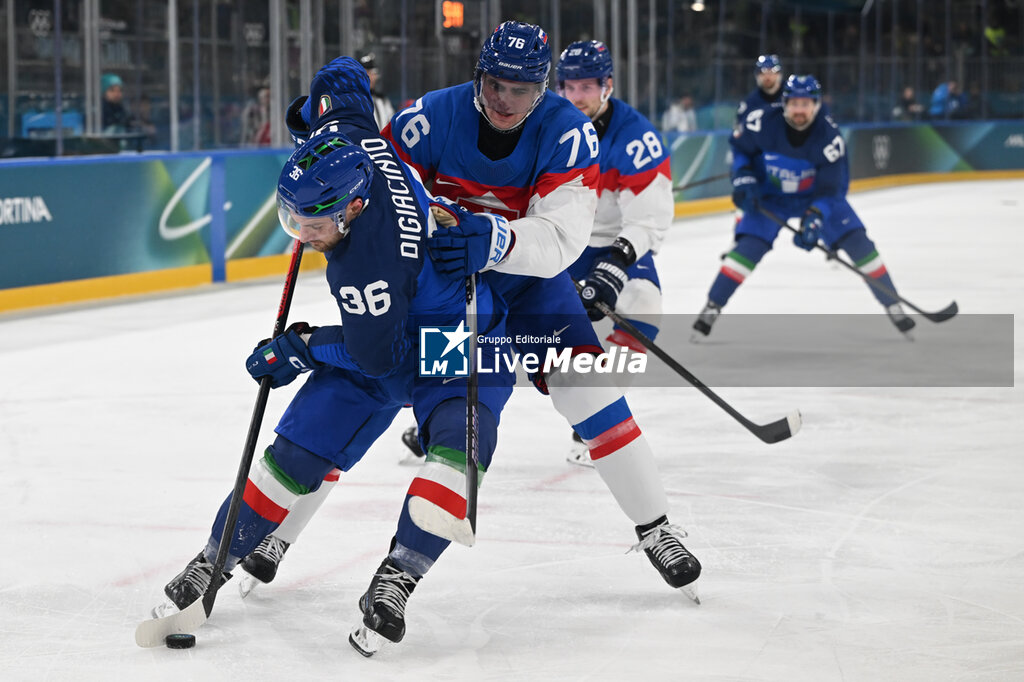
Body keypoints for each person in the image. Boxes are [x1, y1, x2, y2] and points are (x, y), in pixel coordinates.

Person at [240, 23, 703, 645]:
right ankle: (277, 533)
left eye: (521, 89)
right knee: (374, 386)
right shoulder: (428, 118)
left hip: (528, 286)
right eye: (494, 85)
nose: (505, 100)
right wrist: (324, 133)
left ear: (543, 88)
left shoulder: (567, 131)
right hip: (442, 284)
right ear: (478, 76)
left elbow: (563, 237)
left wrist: (496, 238)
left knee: (588, 388)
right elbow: (371, 183)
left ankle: (656, 527)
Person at [147, 65, 515, 656]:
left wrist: (300, 347)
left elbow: (377, 358)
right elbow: (343, 84)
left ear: (354, 208)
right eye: (291, 218)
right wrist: (312, 117)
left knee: (458, 453)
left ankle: (398, 576)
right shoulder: (351, 142)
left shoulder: (368, 262)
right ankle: (214, 559)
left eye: (313, 224)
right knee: (296, 449)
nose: (301, 232)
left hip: (458, 339)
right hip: (394, 325)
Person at [691, 74, 917, 341]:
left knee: (859, 244)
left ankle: (893, 305)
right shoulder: (761, 122)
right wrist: (743, 178)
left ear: (816, 105)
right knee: (748, 248)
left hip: (814, 197)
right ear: (784, 103)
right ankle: (712, 306)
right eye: (794, 104)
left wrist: (816, 217)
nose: (800, 110)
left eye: (806, 104)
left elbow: (832, 190)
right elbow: (741, 150)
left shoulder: (829, 138)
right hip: (771, 197)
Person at [556, 40, 673, 464]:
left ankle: (594, 416)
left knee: (644, 305)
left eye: (587, 87)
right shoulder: (542, 124)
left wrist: (617, 262)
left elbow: (648, 219)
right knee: (489, 314)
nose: (577, 97)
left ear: (607, 86)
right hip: (553, 238)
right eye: (569, 87)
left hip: (607, 243)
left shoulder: (636, 136)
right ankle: (441, 415)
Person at [735, 54, 784, 124]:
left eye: (772, 72)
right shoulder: (749, 103)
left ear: (779, 75)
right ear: (757, 76)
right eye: (763, 73)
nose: (767, 77)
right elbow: (739, 128)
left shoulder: (791, 97)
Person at [359, 53, 395, 131]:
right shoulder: (354, 100)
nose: (371, 77)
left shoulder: (382, 100)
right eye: (367, 73)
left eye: (373, 73)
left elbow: (391, 124)